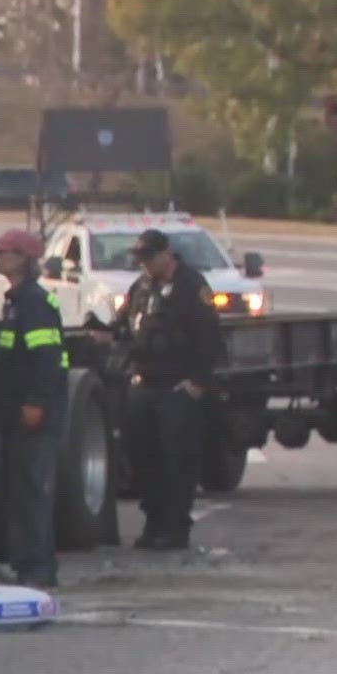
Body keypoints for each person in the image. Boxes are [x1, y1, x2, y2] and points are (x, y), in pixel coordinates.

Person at [100, 227, 222, 551]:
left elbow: (209, 337)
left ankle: (175, 526)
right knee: (143, 457)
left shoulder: (191, 287)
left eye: (150, 258)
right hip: (144, 382)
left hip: (176, 386)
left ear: (167, 254)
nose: (145, 265)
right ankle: (153, 521)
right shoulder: (140, 287)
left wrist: (197, 382)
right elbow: (124, 327)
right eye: (141, 259)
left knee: (177, 459)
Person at [0, 228, 70, 587]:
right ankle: (26, 564)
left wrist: (37, 403)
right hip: (15, 414)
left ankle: (37, 568)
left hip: (31, 416)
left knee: (31, 492)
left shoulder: (33, 303)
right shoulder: (17, 301)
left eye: (3, 252)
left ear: (22, 258)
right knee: (18, 492)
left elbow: (48, 359)